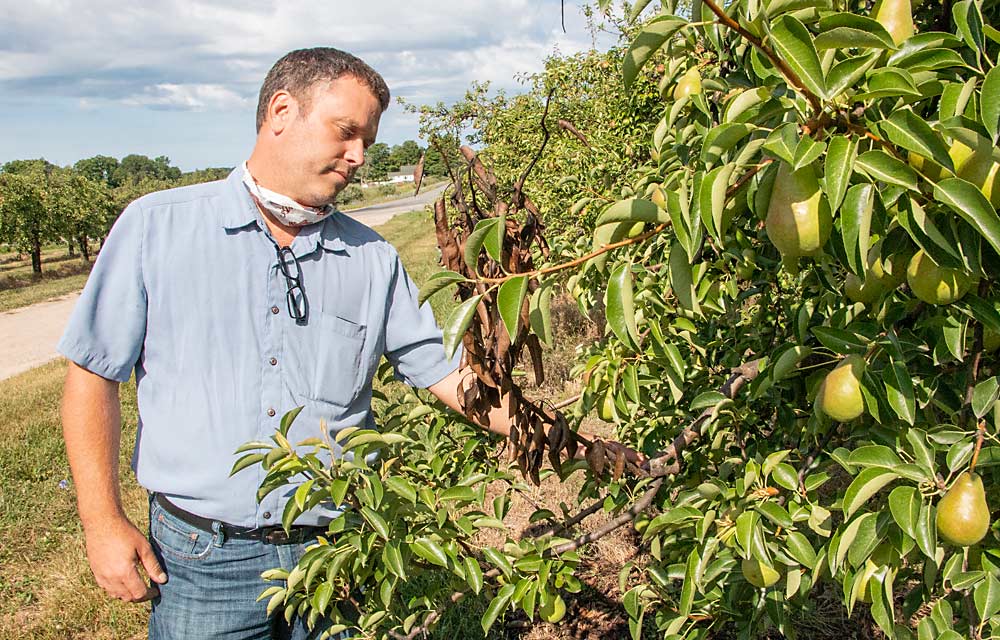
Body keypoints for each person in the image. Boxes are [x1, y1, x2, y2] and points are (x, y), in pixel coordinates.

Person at [59, 47, 640, 640]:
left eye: (366, 139)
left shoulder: (371, 258)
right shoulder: (157, 227)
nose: (359, 156)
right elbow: (92, 376)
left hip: (336, 557)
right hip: (203, 561)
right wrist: (101, 520)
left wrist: (573, 444)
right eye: (347, 132)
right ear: (281, 111)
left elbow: (447, 379)